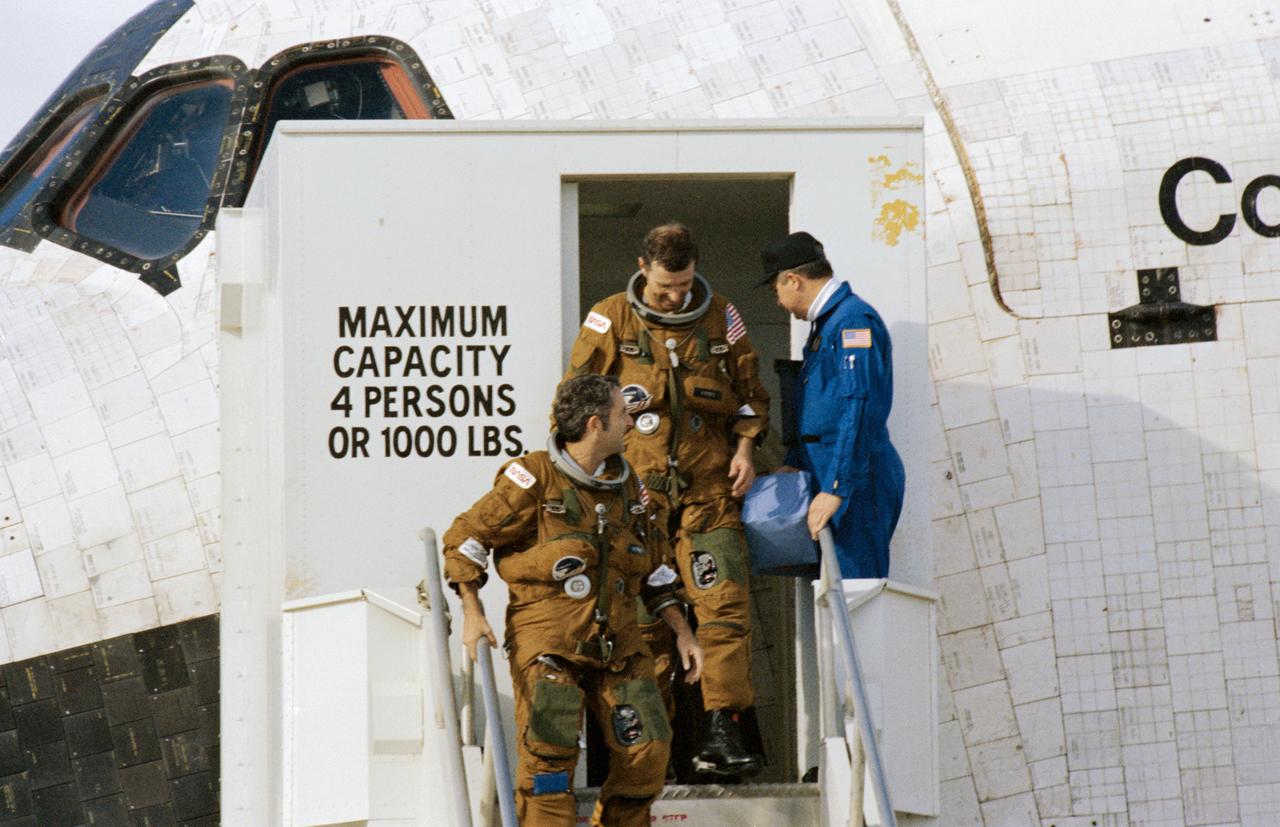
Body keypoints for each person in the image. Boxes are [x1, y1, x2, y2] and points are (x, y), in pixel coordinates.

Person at [443, 374, 704, 827]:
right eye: (624, 413)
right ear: (594, 424)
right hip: (550, 646)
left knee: (649, 751)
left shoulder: (628, 490)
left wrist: (683, 633)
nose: (633, 420)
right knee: (549, 760)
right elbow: (466, 538)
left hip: (618, 647)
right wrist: (472, 611)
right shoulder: (533, 478)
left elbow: (657, 569)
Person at [565, 223, 769, 777]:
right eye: (664, 289)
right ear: (641, 267)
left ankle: (722, 731)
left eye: (683, 285)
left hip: (709, 494)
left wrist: (746, 449)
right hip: (638, 500)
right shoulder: (611, 317)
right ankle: (649, 752)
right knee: (644, 624)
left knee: (723, 607)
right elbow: (572, 407)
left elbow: (752, 397)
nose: (676, 297)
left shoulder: (721, 316)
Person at [762, 230, 905, 578]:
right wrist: (797, 463)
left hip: (855, 478)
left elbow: (858, 406)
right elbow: (823, 406)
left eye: (775, 289)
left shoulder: (852, 321)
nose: (778, 301)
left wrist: (837, 488)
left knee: (857, 592)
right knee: (834, 593)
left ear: (793, 281)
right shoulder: (828, 324)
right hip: (833, 472)